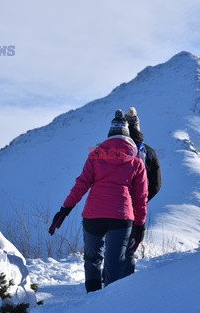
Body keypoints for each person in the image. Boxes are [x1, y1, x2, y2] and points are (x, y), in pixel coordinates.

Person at [49, 109, 148, 293]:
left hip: (93, 215)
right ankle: (111, 303)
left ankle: (92, 299)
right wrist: (140, 225)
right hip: (121, 217)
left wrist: (65, 209)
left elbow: (81, 185)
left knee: (92, 259)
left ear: (109, 135)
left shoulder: (95, 155)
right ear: (128, 136)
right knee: (115, 263)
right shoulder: (136, 163)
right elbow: (141, 197)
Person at [123, 107, 161, 277]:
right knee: (130, 248)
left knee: (112, 248)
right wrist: (142, 200)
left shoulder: (110, 149)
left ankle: (106, 285)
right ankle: (125, 285)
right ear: (138, 127)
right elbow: (156, 185)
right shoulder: (149, 152)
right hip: (136, 207)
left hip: (111, 204)